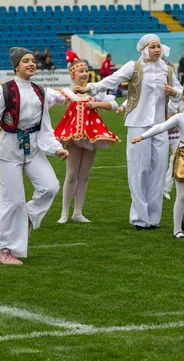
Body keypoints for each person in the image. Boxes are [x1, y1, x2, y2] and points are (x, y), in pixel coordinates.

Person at [0, 47, 69, 265]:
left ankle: (29, 217)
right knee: (11, 202)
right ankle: (3, 250)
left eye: (32, 60)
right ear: (16, 66)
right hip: (10, 148)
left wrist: (56, 147)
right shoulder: (3, 91)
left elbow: (46, 127)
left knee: (50, 186)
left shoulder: (40, 91)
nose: (31, 64)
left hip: (33, 147)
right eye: (25, 61)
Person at [73, 34, 183, 230]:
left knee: (158, 172)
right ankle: (140, 219)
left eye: (159, 46)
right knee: (139, 169)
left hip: (160, 126)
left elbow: (179, 91)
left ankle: (154, 218)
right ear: (144, 49)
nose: (157, 50)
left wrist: (174, 93)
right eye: (153, 47)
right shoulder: (134, 66)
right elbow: (112, 80)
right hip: (138, 123)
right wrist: (89, 87)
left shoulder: (167, 70)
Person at [50, 50, 119, 224]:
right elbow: (48, 99)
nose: (85, 74)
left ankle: (78, 212)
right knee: (71, 174)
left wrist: (97, 103)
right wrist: (65, 92)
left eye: (86, 71)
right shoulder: (68, 93)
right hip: (73, 136)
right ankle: (64, 213)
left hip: (92, 136)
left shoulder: (94, 92)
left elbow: (114, 104)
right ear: (72, 73)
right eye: (80, 71)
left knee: (84, 175)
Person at [132, 112, 184, 238]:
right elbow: (160, 127)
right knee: (182, 195)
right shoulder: (180, 117)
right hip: (183, 156)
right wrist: (143, 136)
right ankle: (177, 230)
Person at [163, 98, 184, 200]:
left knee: (174, 160)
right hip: (160, 133)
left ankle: (166, 189)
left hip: (177, 134)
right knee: (157, 162)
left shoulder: (178, 96)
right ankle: (154, 188)